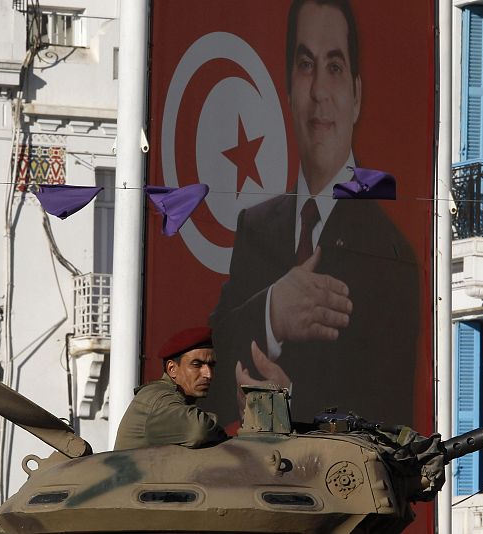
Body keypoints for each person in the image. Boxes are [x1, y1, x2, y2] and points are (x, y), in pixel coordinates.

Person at [209, 0, 419, 426]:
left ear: (356, 96)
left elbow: (390, 422)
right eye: (306, 66)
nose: (319, 91)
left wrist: (289, 405)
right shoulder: (256, 226)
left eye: (334, 67)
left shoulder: (391, 253)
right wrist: (272, 312)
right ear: (288, 88)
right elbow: (208, 369)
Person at [114, 327, 227, 450]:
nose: (208, 374)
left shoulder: (174, 397)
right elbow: (197, 430)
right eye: (196, 365)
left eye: (211, 365)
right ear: (172, 369)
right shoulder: (160, 396)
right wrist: (217, 429)